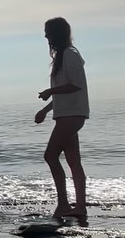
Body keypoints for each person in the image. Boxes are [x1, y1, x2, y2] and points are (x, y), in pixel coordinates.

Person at [35, 16, 89, 220]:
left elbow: (76, 85)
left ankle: (64, 204)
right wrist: (47, 110)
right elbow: (63, 91)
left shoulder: (70, 54)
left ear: (56, 33)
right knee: (74, 161)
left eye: (48, 31)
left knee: (50, 156)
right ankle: (80, 207)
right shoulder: (62, 56)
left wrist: (51, 90)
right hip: (66, 114)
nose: (45, 35)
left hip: (72, 115)